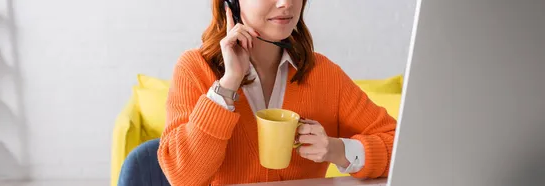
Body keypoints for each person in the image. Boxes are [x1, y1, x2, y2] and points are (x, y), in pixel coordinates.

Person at [120, 0, 397, 186]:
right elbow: (182, 176)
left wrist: (337, 150)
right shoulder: (195, 69)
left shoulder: (323, 74)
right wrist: (228, 83)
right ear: (232, 2)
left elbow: (399, 144)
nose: (286, 3)